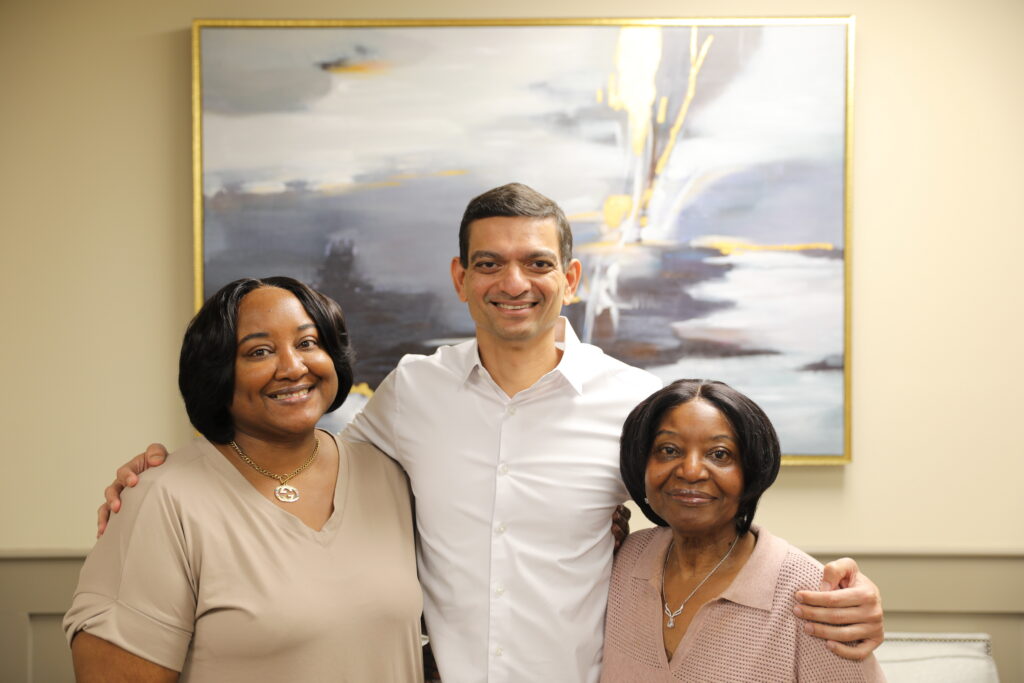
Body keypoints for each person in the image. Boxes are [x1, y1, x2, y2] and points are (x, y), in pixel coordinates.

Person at [98, 184, 883, 682]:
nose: (514, 283)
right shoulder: (413, 391)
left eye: (537, 263)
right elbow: (306, 457)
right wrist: (167, 475)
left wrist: (834, 593)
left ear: (570, 280)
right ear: (460, 278)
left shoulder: (634, 405)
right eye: (490, 263)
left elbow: (708, 510)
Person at [65, 277, 423, 682]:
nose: (292, 367)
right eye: (259, 351)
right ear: (218, 374)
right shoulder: (162, 499)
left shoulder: (390, 474)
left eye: (307, 343)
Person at [602, 379, 885, 681]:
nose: (691, 471)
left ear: (749, 473)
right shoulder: (623, 561)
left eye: (719, 454)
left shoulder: (813, 596)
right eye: (669, 450)